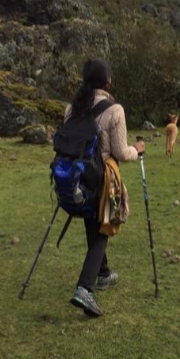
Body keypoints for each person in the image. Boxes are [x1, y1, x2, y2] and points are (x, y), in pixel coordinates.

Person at [65, 58, 145, 317]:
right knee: (104, 229)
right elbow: (121, 152)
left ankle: (103, 273)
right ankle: (84, 288)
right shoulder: (115, 110)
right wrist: (138, 149)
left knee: (93, 220)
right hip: (102, 179)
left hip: (76, 179)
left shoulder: (72, 109)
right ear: (108, 81)